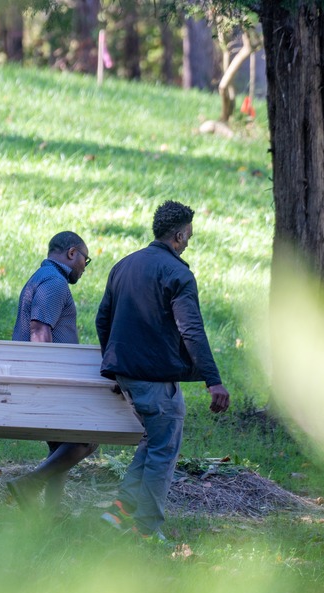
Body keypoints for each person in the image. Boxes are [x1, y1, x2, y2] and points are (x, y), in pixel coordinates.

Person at [96, 200, 230, 540]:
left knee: (154, 443)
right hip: (156, 380)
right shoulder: (177, 273)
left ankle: (116, 516)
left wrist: (114, 368)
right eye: (190, 236)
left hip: (128, 374)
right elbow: (192, 330)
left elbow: (103, 320)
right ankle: (147, 530)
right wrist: (213, 381)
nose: (189, 241)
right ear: (180, 235)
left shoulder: (124, 265)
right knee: (163, 452)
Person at [6, 231, 99, 514]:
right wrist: (48, 381)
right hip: (46, 379)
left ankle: (51, 515)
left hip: (38, 377)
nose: (85, 266)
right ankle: (29, 484)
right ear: (72, 253)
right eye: (86, 259)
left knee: (62, 446)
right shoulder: (55, 283)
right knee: (86, 438)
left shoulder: (42, 278)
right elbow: (39, 331)